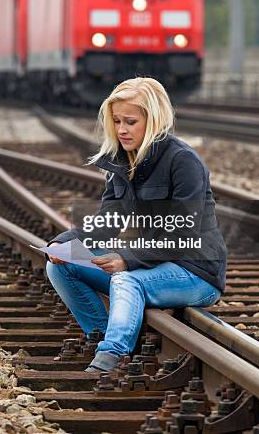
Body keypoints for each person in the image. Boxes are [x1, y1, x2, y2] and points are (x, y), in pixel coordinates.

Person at [46, 77, 227, 373]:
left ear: (153, 120)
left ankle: (112, 356)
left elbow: (183, 234)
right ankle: (102, 335)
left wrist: (127, 260)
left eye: (130, 121)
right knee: (61, 266)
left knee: (125, 279)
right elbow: (105, 222)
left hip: (195, 271)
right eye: (116, 121)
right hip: (151, 264)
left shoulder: (183, 162)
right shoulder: (121, 163)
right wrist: (63, 242)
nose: (121, 129)